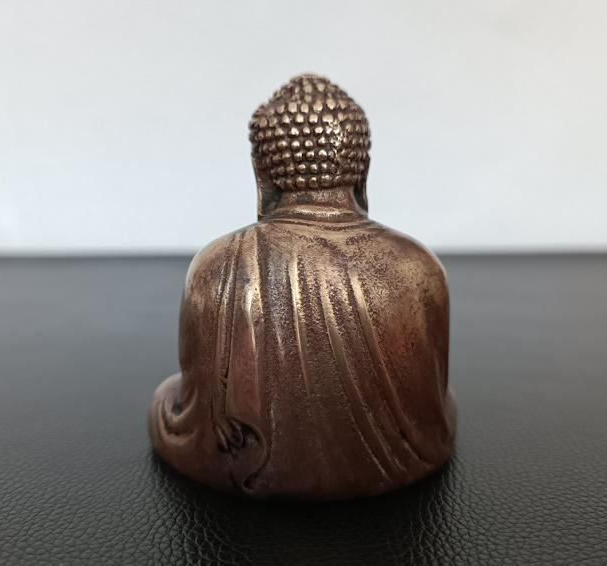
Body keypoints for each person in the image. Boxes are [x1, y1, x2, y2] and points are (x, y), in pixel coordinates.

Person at [149, 75, 456, 500]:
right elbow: (437, 410)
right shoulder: (418, 267)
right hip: (405, 476)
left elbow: (194, 421)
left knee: (163, 399)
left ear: (263, 176)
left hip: (242, 489)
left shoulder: (218, 266)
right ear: (362, 173)